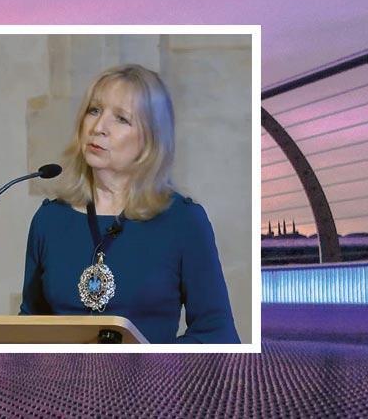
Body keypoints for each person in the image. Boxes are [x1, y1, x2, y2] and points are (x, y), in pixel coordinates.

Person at [19, 64, 239, 344]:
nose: (98, 128)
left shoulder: (184, 221)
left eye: (121, 119)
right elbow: (29, 325)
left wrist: (147, 366)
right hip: (62, 386)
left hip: (149, 386)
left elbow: (217, 335)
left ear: (151, 138)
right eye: (94, 110)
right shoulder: (49, 220)